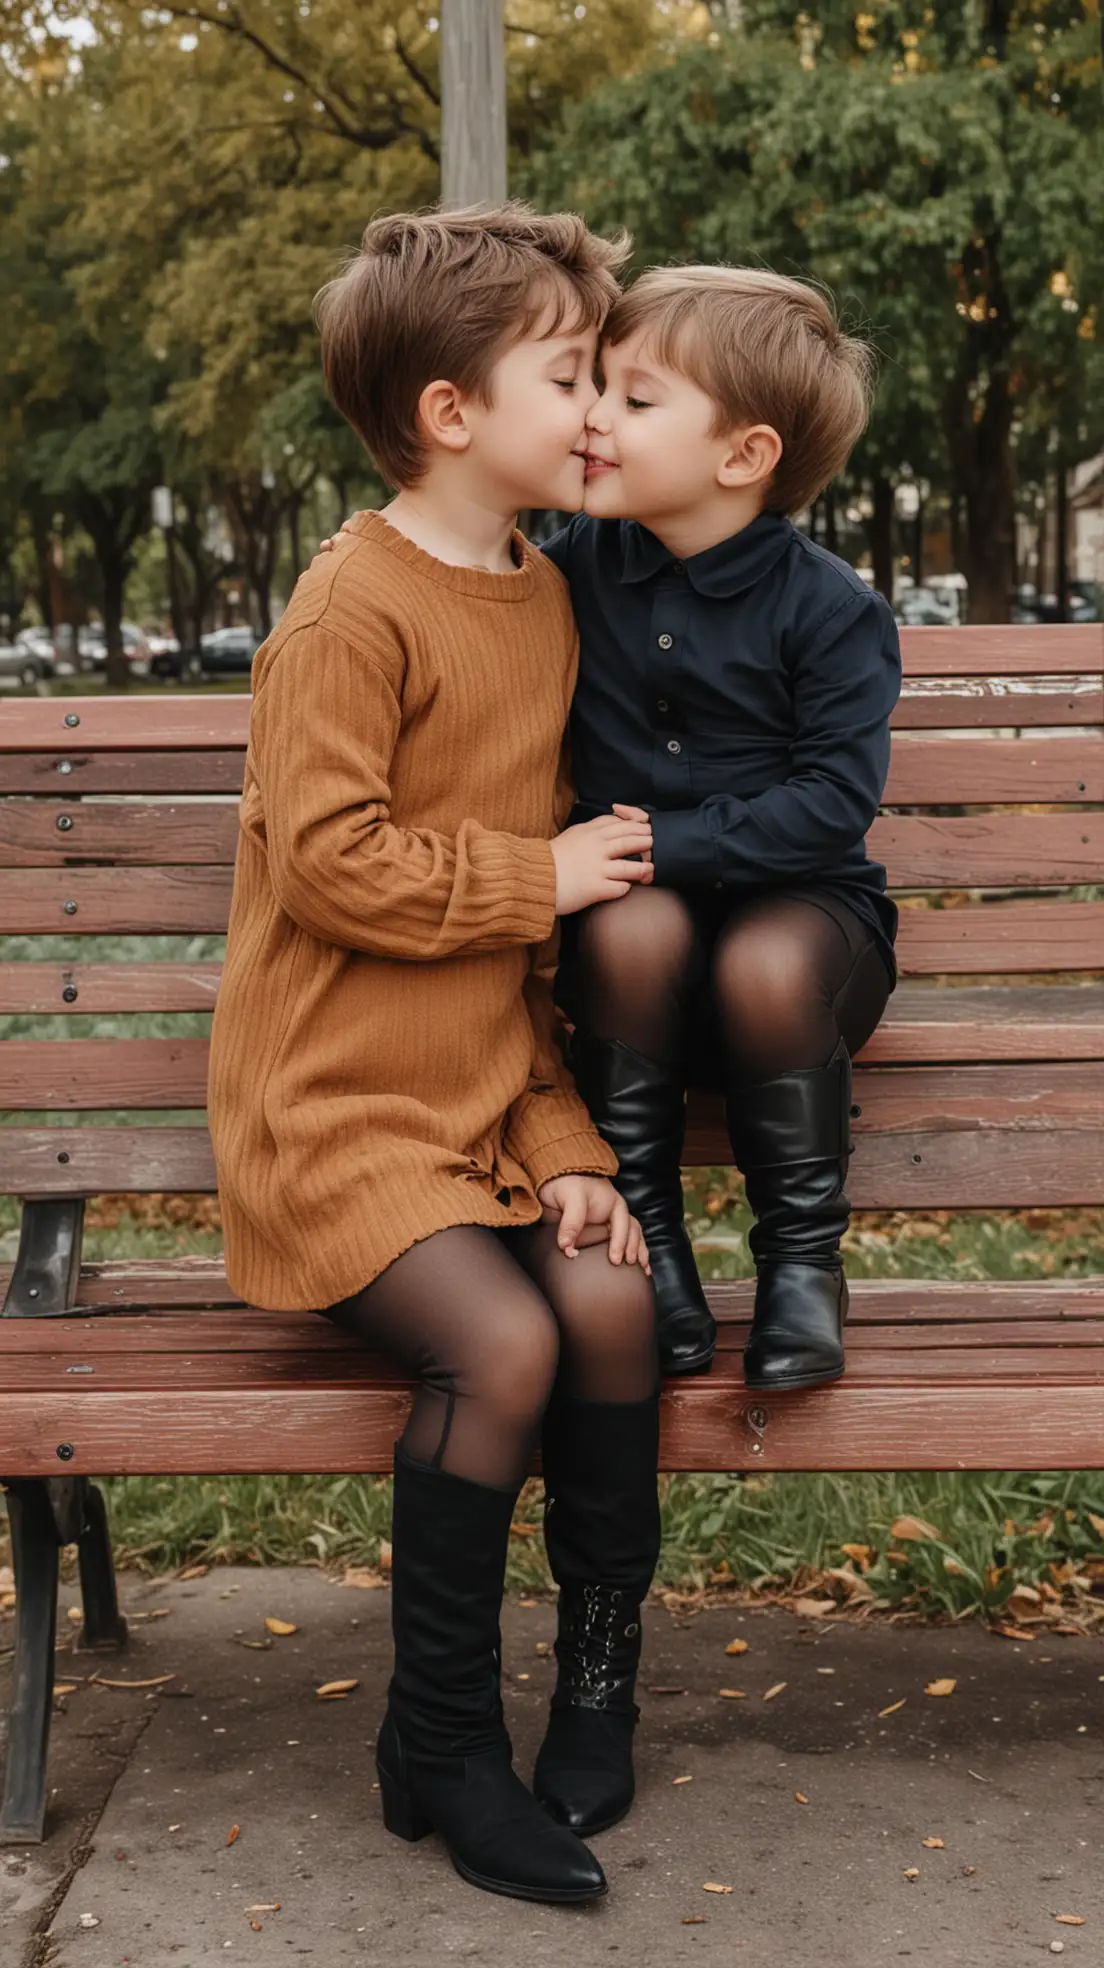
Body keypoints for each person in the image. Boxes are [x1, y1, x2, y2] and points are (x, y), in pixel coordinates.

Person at [208, 205, 665, 1908]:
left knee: (605, 1292)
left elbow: (517, 960)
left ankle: (598, 1686)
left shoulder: (540, 599)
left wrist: (561, 1136)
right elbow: (328, 858)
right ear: (449, 414)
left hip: (470, 1099)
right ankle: (444, 1741)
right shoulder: (350, 607)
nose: (598, 403)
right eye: (568, 373)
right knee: (498, 1340)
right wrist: (530, 872)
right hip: (329, 1114)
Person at [546, 266, 902, 1388]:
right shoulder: (560, 573)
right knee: (627, 926)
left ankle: (802, 1262)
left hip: (800, 956)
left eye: (634, 399)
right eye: (596, 384)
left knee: (761, 956)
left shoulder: (831, 610)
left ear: (742, 456)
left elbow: (833, 804)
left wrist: (667, 840)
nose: (593, 414)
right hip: (636, 981)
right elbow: (446, 593)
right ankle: (649, 1246)